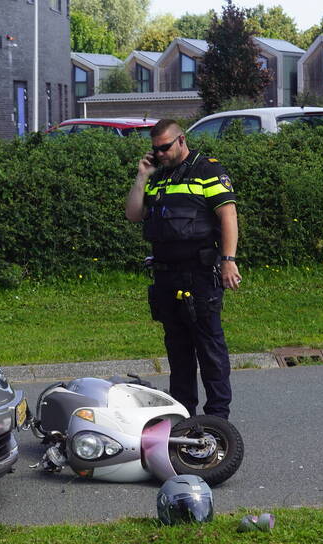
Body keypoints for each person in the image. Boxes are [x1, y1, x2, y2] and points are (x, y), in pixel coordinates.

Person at [124, 119, 241, 419]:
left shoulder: (207, 170)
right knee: (178, 350)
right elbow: (134, 215)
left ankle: (217, 417)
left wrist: (229, 260)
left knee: (209, 347)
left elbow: (227, 214)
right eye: (155, 149)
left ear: (181, 140)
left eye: (164, 147)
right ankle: (184, 416)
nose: (159, 154)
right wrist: (141, 178)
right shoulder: (158, 176)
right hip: (166, 275)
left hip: (200, 274)